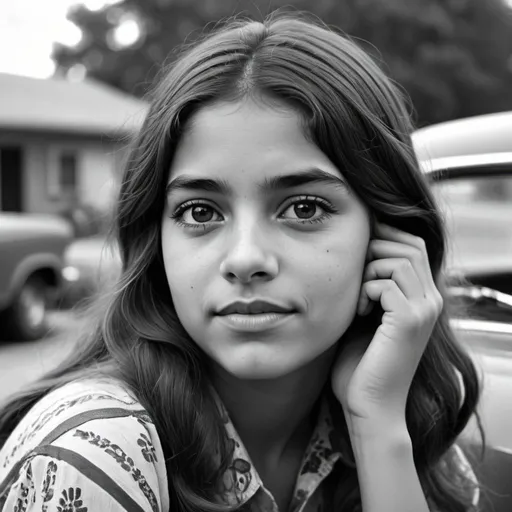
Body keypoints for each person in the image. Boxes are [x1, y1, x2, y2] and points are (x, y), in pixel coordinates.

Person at [0, 12, 483, 512]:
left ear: (387, 232)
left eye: (304, 208)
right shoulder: (94, 454)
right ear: (156, 241)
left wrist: (378, 429)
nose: (246, 259)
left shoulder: (412, 424)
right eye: (201, 212)